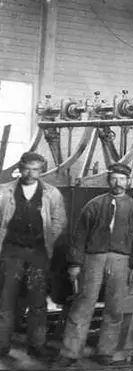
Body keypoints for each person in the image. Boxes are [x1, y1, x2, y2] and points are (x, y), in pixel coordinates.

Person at [56, 162, 133, 367]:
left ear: (129, 181)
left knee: (115, 307)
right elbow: (79, 236)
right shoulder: (94, 205)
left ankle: (105, 352)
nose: (118, 183)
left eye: (122, 179)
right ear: (109, 180)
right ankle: (70, 352)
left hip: (120, 260)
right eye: (114, 178)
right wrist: (75, 263)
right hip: (93, 258)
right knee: (83, 304)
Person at [0, 152, 67, 360]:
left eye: (36, 169)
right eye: (27, 168)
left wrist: (47, 240)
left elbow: (59, 221)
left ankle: (36, 345)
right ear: (20, 167)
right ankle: (2, 346)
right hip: (11, 252)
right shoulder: (4, 191)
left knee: (37, 302)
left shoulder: (51, 193)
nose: (31, 173)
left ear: (41, 170)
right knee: (5, 301)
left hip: (38, 253)